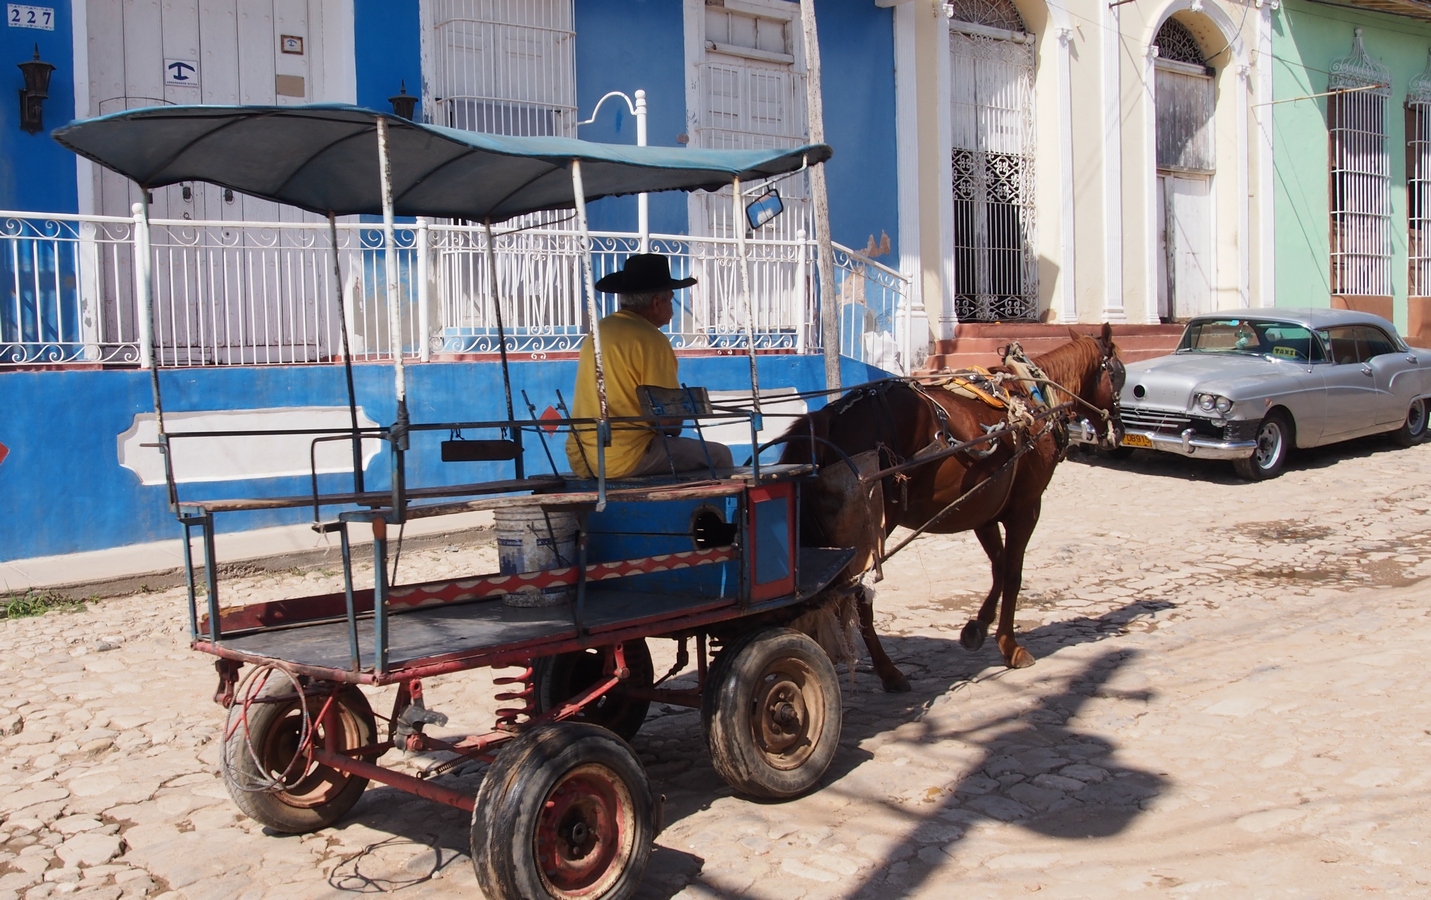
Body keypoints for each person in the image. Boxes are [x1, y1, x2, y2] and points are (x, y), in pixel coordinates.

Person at [565, 254, 734, 478]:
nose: (672, 309)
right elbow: (670, 423)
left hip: (583, 457)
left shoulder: (598, 331)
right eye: (670, 300)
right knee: (720, 455)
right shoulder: (651, 339)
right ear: (656, 302)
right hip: (625, 457)